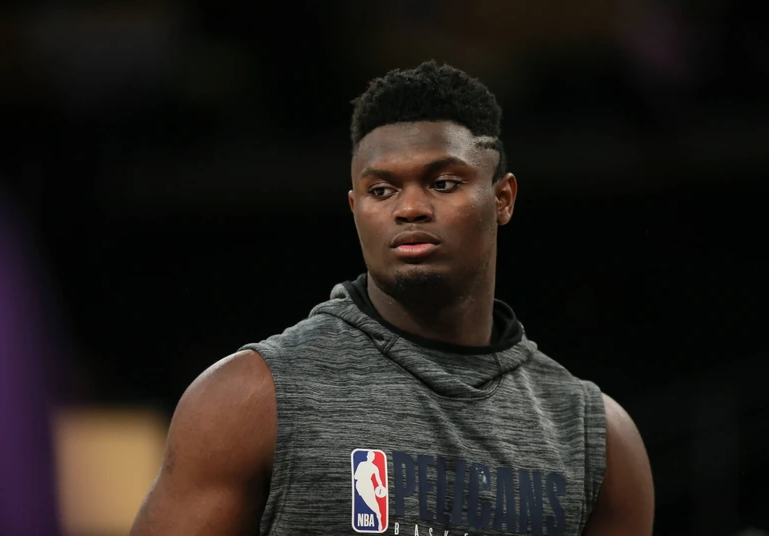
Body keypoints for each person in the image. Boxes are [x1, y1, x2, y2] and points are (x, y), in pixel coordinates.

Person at [130, 61, 654, 536]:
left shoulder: (596, 437)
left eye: (442, 183)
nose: (409, 209)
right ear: (355, 208)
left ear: (502, 198)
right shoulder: (250, 398)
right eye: (382, 190)